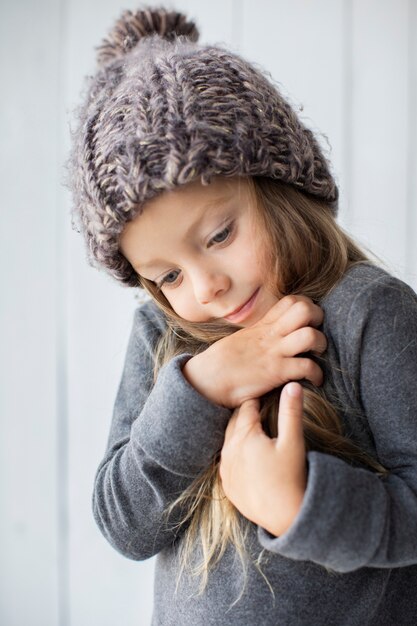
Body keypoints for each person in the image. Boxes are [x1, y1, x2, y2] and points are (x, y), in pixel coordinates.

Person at [67, 6, 417, 625]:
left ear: (279, 183)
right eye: (167, 276)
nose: (207, 287)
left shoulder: (370, 314)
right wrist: (201, 389)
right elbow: (124, 523)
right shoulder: (162, 337)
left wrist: (302, 503)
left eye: (221, 233)